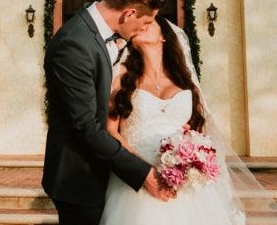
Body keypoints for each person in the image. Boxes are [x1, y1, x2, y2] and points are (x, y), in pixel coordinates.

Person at [42, 0, 174, 225]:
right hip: (80, 177)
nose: (145, 29)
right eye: (145, 22)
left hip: (109, 171)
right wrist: (144, 173)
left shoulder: (105, 33)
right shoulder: (74, 45)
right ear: (129, 13)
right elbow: (87, 128)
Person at [100, 15, 251, 225]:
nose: (142, 26)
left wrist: (193, 156)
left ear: (163, 37)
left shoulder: (185, 81)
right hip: (135, 180)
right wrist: (143, 171)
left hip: (183, 183)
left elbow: (201, 133)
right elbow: (111, 131)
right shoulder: (121, 77)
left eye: (149, 23)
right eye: (140, 23)